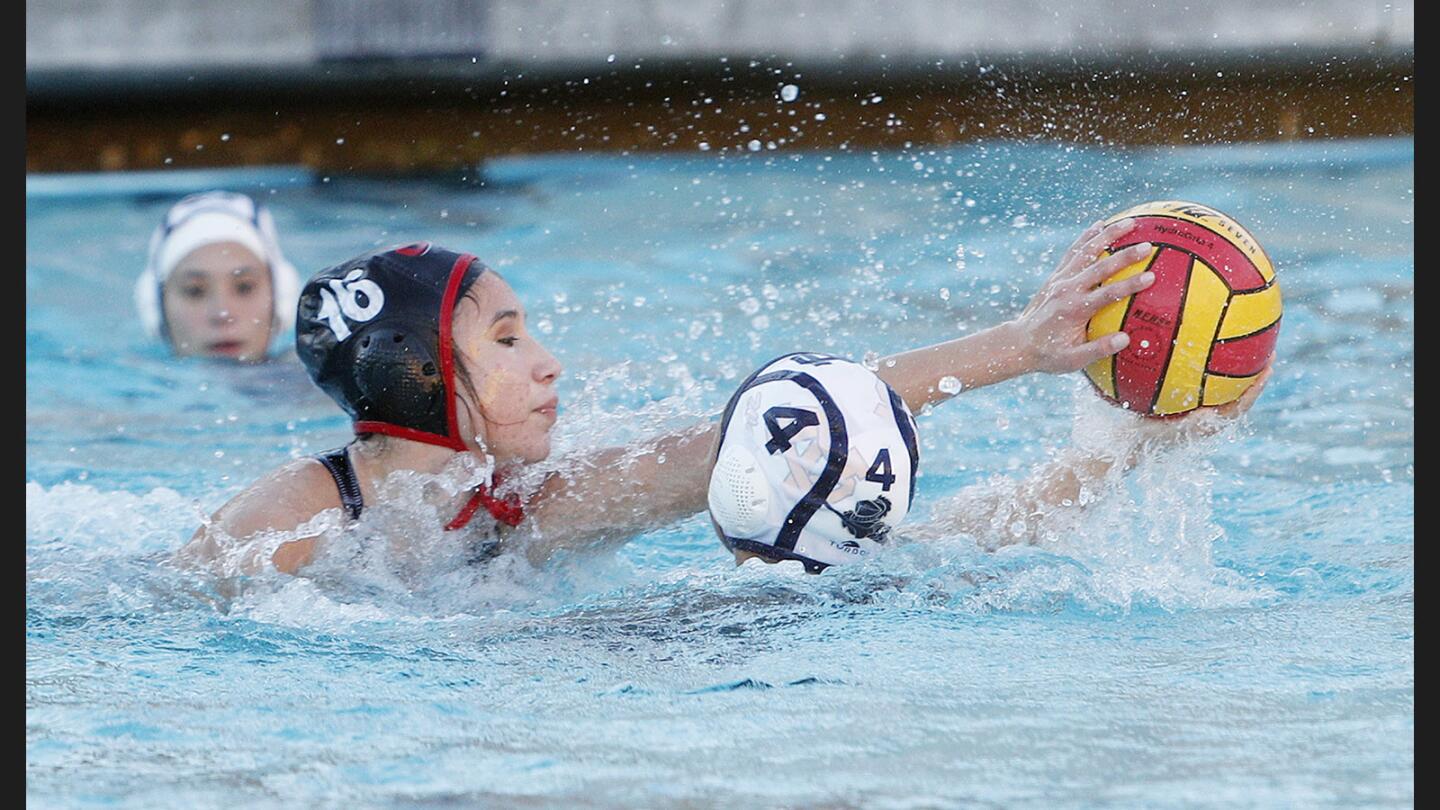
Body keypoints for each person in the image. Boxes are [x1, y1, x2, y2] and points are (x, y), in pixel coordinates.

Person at [176, 218, 1266, 577]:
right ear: (417, 372)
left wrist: (1019, 349)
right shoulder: (283, 531)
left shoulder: (534, 500)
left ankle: (1119, 461)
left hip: (519, 660)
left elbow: (774, 418)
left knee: (874, 571)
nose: (550, 362)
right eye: (507, 338)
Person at [135, 191, 301, 362]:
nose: (223, 314)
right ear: (157, 308)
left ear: (280, 298)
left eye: (244, 287)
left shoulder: (314, 378)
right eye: (195, 291)